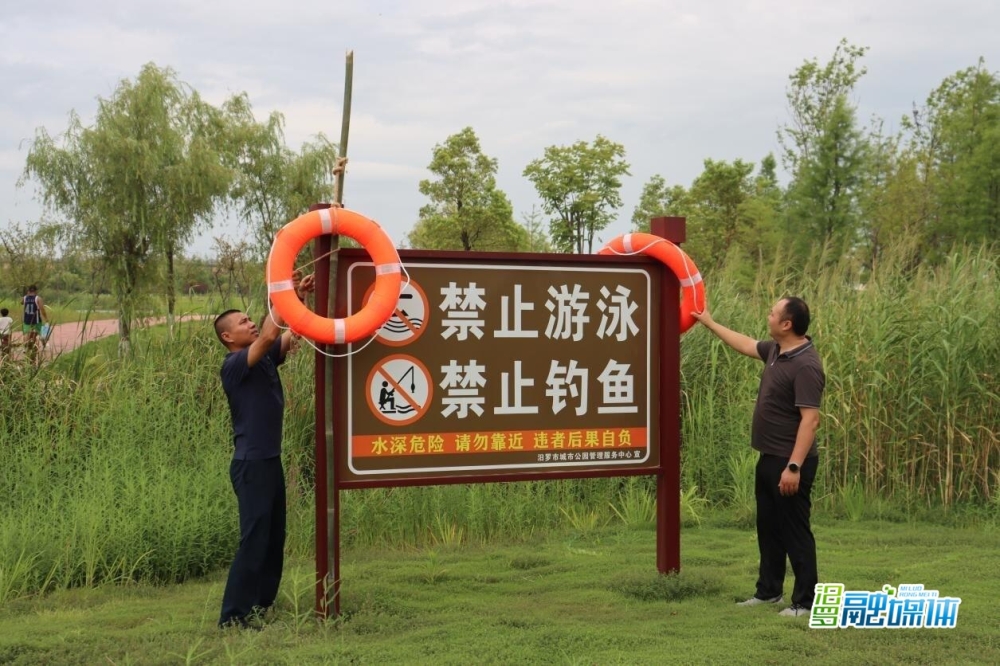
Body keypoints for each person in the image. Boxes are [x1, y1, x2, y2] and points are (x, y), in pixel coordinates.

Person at [692, 297, 825, 618]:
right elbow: (747, 344)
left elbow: (810, 421)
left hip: (790, 462)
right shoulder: (777, 351)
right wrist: (710, 323)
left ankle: (806, 602)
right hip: (769, 457)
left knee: (795, 531)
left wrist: (793, 466)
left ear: (786, 324)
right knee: (769, 528)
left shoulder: (806, 365)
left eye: (773, 313)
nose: (768, 315)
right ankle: (768, 592)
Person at [213, 272, 314, 629]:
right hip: (251, 464)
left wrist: (298, 297)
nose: (251, 323)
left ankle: (261, 604)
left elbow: (289, 334)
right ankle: (233, 616)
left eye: (250, 318)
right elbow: (271, 333)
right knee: (254, 540)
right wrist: (282, 294)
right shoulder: (234, 366)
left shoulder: (264, 357)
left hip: (270, 461)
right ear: (228, 337)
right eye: (243, 322)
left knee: (273, 538)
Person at [22, 285, 46, 360]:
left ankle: (25, 348)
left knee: (26, 333)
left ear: (28, 290)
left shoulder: (25, 298)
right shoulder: (38, 298)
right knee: (40, 332)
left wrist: (27, 295)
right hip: (36, 319)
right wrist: (46, 318)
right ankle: (43, 343)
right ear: (36, 291)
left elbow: (21, 303)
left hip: (27, 319)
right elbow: (42, 309)